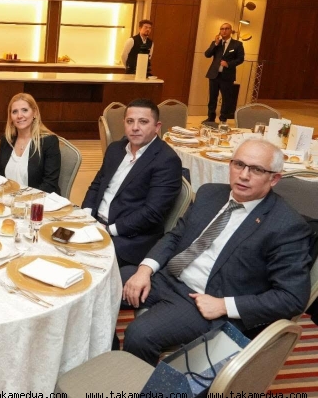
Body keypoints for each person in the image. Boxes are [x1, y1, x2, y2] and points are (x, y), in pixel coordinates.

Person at [121, 139, 312, 365]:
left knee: (140, 334)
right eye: (239, 164)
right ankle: (106, 354)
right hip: (169, 277)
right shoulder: (209, 193)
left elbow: (292, 298)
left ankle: (144, 386)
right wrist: (145, 270)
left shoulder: (286, 225)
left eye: (256, 170)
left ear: (274, 179)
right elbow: (176, 236)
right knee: (106, 285)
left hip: (204, 300)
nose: (243, 175)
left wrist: (224, 306)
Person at [83, 98, 182, 266]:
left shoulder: (167, 160)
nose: (135, 127)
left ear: (157, 127)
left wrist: (108, 230)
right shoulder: (115, 149)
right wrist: (85, 216)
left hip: (128, 238)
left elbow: (151, 213)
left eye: (143, 122)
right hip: (94, 224)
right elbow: (97, 185)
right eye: (130, 121)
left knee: (80, 260)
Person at [0, 93, 61, 194]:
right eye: (15, 112)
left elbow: (49, 184)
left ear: (35, 113)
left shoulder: (49, 141)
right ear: (10, 117)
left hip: (38, 200)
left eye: (25, 110)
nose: (19, 116)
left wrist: (22, 198)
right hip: (9, 197)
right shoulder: (7, 140)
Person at [203, 23, 245, 124]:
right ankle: (210, 118)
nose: (224, 31)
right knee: (212, 98)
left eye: (226, 29)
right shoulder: (216, 43)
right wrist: (215, 44)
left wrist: (228, 64)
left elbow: (240, 59)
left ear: (231, 31)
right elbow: (207, 54)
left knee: (226, 98)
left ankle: (223, 119)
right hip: (214, 75)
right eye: (222, 29)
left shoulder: (237, 44)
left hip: (227, 76)